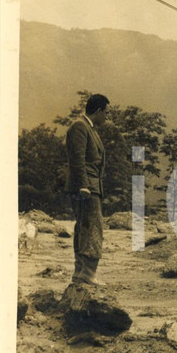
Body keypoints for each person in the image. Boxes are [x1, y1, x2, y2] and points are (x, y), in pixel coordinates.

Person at [64, 94, 109, 286]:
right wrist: (83, 185)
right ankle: (87, 273)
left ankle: (81, 272)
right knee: (92, 227)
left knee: (84, 226)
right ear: (98, 111)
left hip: (90, 186)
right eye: (106, 112)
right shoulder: (80, 126)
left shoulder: (89, 128)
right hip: (86, 187)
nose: (107, 117)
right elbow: (77, 159)